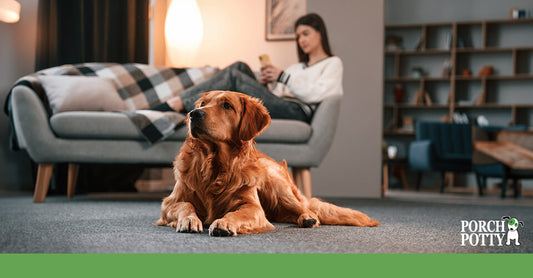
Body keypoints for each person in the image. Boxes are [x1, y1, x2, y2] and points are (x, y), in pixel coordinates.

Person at [151, 13, 343, 123]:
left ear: (320, 33)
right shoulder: (297, 67)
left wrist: (283, 77)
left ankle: (177, 104)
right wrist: (266, 83)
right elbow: (279, 93)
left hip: (297, 112)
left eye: (306, 34)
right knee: (240, 66)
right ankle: (183, 103)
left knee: (234, 76)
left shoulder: (332, 63)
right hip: (282, 104)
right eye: (298, 36)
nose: (301, 40)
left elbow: (317, 94)